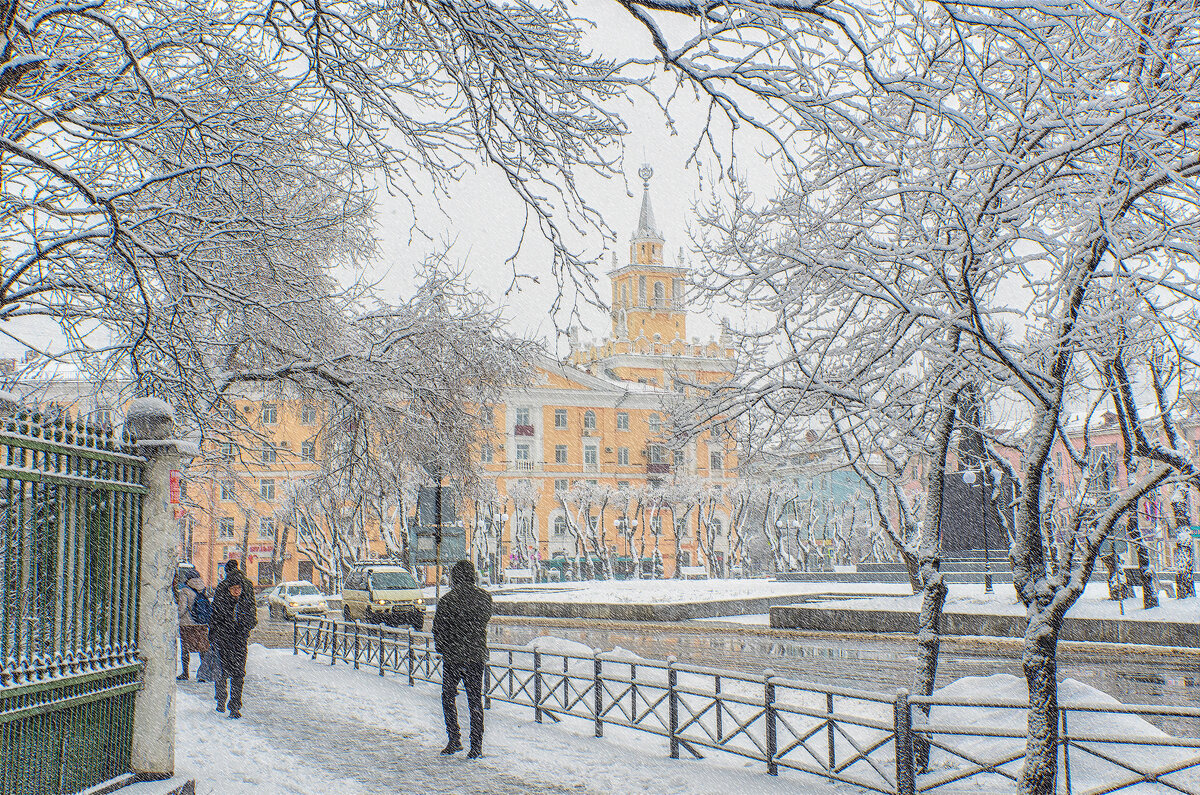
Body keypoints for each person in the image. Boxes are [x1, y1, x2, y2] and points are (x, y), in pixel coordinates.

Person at [432, 559, 493, 758]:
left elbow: (438, 629)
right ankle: (476, 746)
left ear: (455, 577)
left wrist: (443, 647)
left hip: (453, 658)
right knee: (475, 701)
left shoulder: (447, 600)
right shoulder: (484, 598)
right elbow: (484, 619)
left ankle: (454, 738)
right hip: (475, 656)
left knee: (448, 697)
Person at [210, 560, 257, 718]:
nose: (237, 590)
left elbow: (215, 615)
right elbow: (252, 615)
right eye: (234, 588)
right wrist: (244, 630)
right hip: (236, 640)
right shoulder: (247, 587)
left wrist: (215, 633)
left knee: (223, 671)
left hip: (226, 639)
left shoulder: (223, 588)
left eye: (238, 588)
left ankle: (222, 701)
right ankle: (234, 706)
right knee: (237, 673)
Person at [175, 571, 211, 681]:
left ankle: (185, 673)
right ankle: (204, 674)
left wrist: (176, 615)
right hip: (201, 624)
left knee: (185, 649)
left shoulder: (185, 591)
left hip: (187, 624)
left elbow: (182, 609)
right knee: (202, 649)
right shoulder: (203, 588)